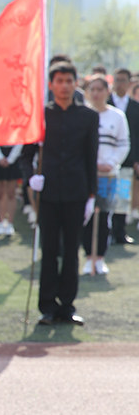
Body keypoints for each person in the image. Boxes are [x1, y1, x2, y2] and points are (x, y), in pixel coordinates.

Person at [29, 61, 98, 326]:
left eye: (69, 80)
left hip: (76, 191)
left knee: (72, 251)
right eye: (59, 81)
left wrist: (92, 195)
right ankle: (46, 306)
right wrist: (30, 177)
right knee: (49, 250)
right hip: (47, 193)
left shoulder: (88, 116)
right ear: (50, 84)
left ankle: (67, 306)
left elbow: (91, 157)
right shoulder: (41, 115)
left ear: (75, 83)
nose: (64, 86)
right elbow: (27, 155)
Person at [81, 75, 129, 274]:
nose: (96, 93)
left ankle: (100, 257)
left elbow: (123, 144)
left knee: (104, 216)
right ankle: (87, 256)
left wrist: (111, 163)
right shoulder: (83, 114)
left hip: (108, 175)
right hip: (86, 175)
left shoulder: (117, 116)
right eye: (92, 89)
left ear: (107, 92)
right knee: (87, 216)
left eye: (99, 89)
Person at [107, 68, 139, 243]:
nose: (120, 84)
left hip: (126, 161)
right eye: (117, 80)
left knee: (122, 197)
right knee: (106, 197)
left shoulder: (135, 107)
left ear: (129, 83)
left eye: (123, 80)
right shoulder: (106, 103)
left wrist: (136, 159)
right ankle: (106, 231)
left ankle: (119, 232)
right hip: (105, 162)